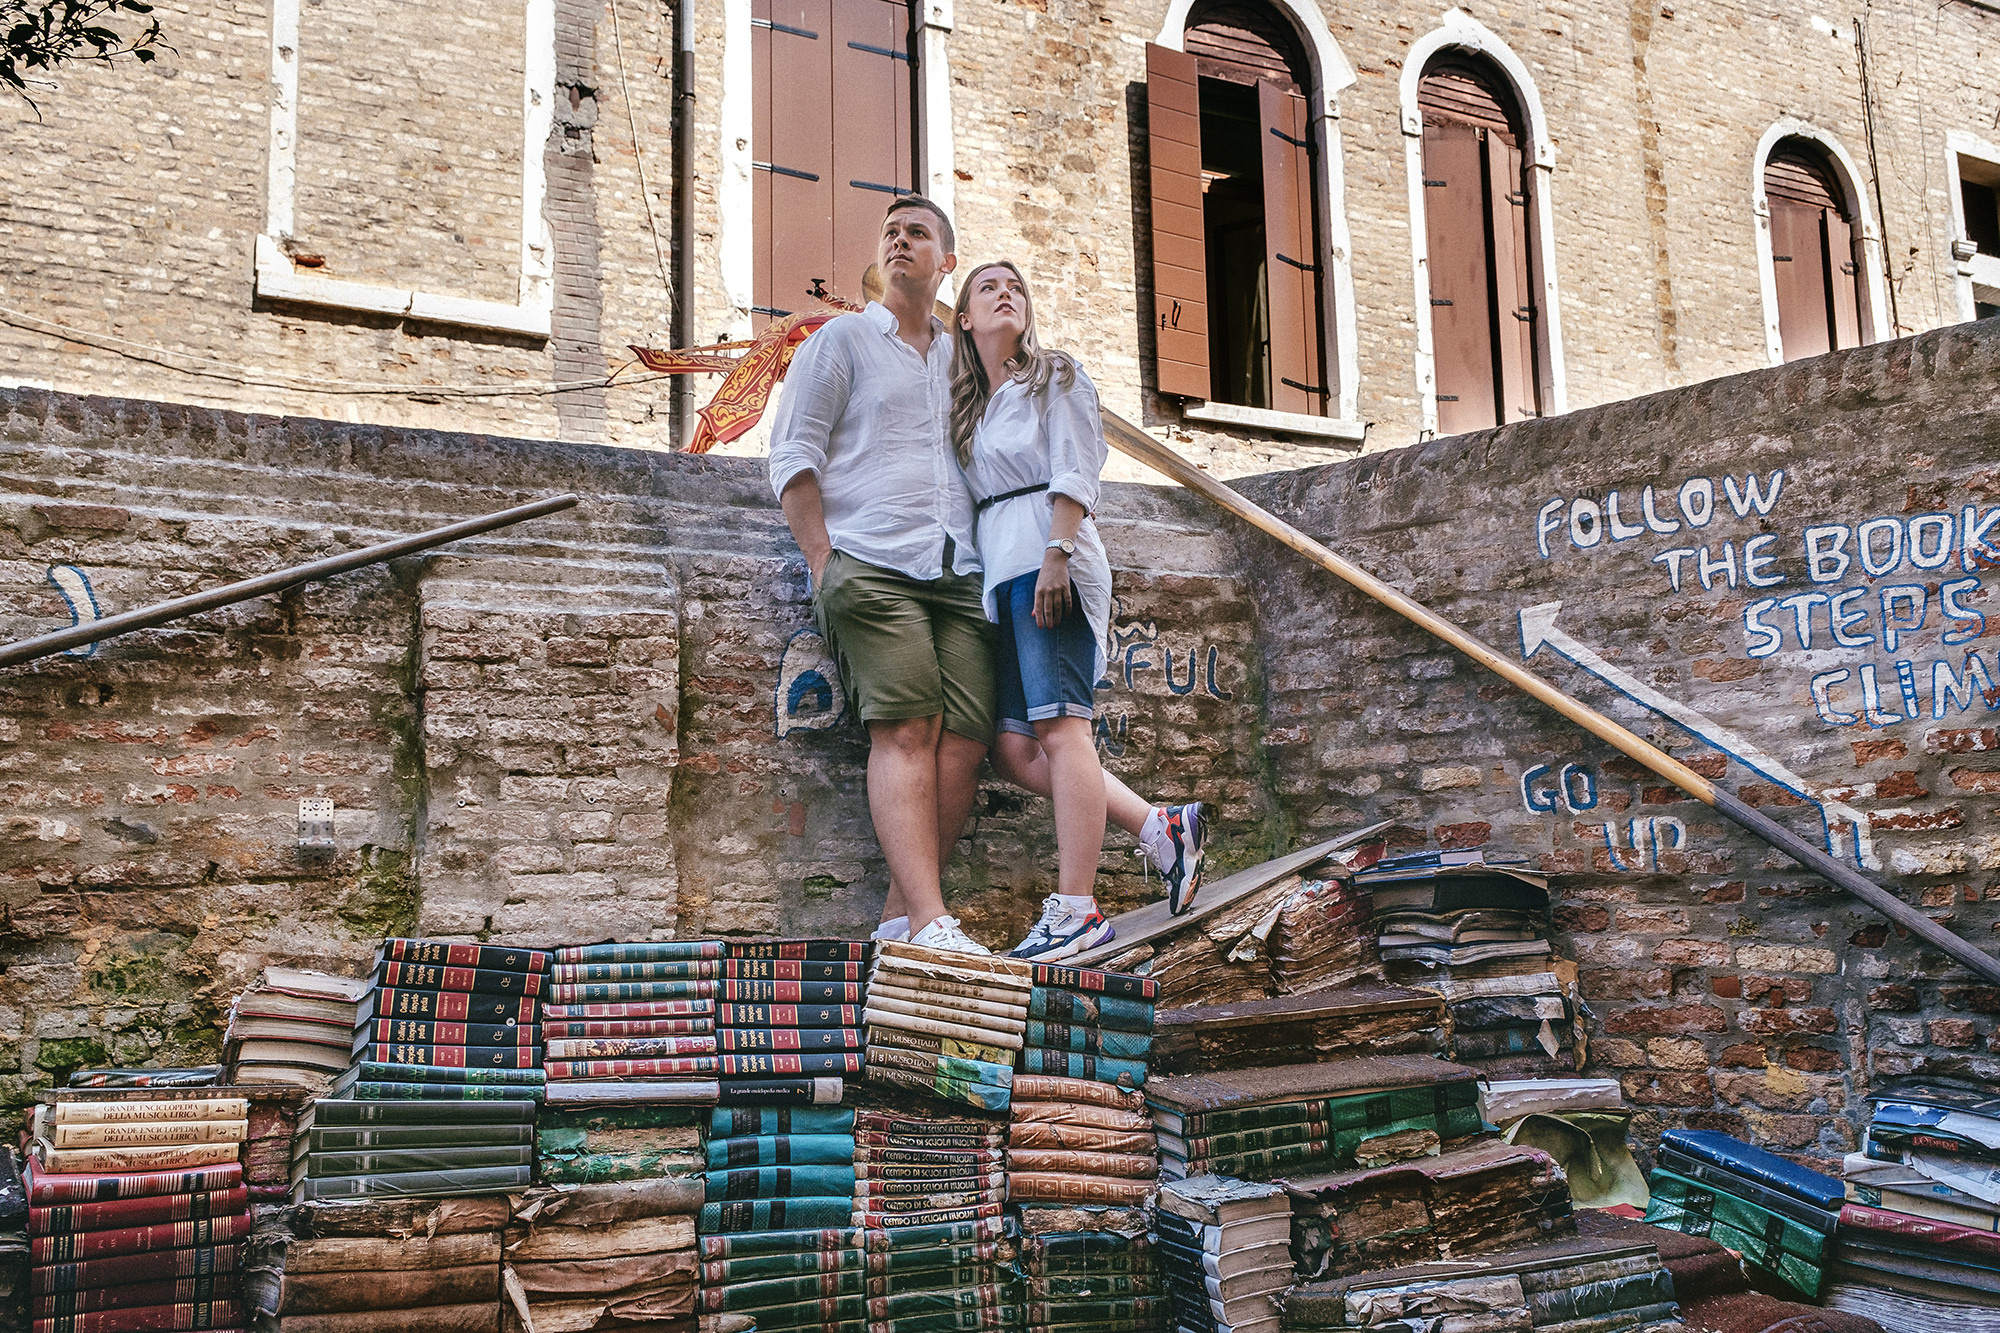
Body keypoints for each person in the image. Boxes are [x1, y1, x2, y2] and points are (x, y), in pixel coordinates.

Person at [948, 259, 1207, 963]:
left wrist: (1059, 550)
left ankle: (1077, 908)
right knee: (1011, 746)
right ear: (964, 318)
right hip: (1003, 576)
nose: (1006, 293)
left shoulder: (1053, 375)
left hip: (1048, 559)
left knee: (1063, 733)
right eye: (987, 287)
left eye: (1016, 286)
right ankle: (1160, 827)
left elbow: (1075, 462)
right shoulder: (972, 406)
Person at [768, 196, 995, 957]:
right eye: (891, 233)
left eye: (918, 233)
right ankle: (933, 922)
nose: (901, 241)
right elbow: (793, 455)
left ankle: (901, 921)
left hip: (958, 568)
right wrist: (824, 560)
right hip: (870, 562)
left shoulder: (967, 361)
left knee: (964, 737)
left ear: (945, 263)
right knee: (906, 728)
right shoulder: (841, 343)